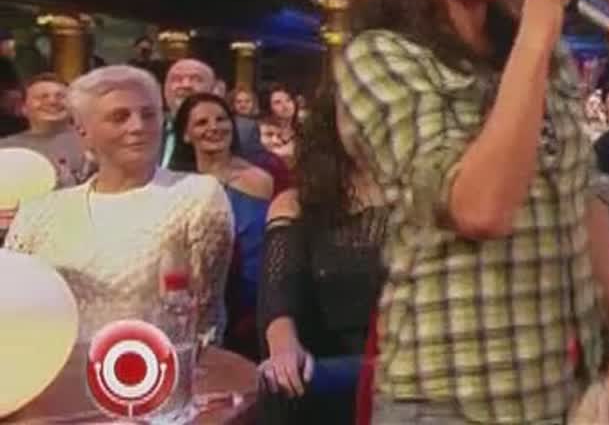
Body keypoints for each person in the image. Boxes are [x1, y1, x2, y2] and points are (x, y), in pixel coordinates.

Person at [333, 0, 609, 424]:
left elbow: (584, 202)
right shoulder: (380, 57)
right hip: (446, 402)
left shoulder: (543, 57)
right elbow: (480, 209)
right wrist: (536, 32)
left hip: (560, 397)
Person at [3, 65, 233, 341]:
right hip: (49, 360)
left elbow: (202, 320)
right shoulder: (39, 212)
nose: (138, 127)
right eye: (119, 117)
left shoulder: (196, 195)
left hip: (158, 362)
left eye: (148, 115)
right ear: (83, 131)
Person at [256, 90, 389, 424]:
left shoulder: (423, 199)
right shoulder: (295, 203)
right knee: (282, 381)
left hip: (410, 362)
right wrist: (283, 347)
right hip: (328, 367)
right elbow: (278, 293)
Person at [168, 92, 270, 356]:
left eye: (221, 119)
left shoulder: (265, 178)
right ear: (186, 135)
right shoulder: (175, 188)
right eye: (202, 122)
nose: (214, 127)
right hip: (199, 308)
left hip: (256, 307)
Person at [0, 73, 90, 187]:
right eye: (42, 97)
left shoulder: (95, 139)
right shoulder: (5, 148)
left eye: (61, 96)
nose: (53, 102)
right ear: (23, 108)